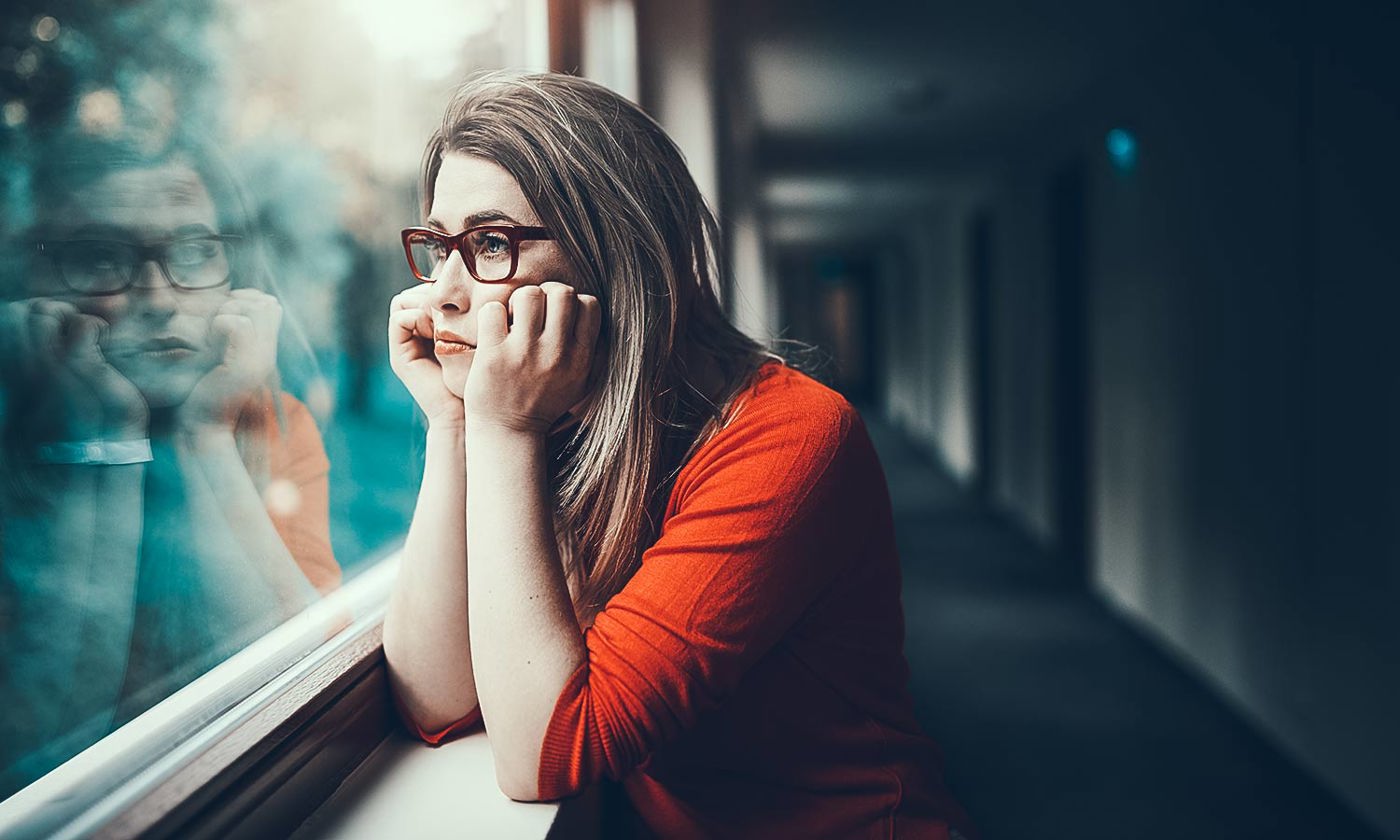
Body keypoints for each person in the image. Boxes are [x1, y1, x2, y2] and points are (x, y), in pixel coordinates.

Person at [382, 72, 975, 839]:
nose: (443, 291)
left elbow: (541, 756)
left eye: (490, 243)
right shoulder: (565, 415)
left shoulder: (792, 437)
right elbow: (436, 701)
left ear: (613, 255)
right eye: (437, 246)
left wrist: (504, 431)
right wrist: (454, 426)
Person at [0, 130, 338, 796]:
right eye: (101, 257)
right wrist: (100, 436)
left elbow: (310, 704)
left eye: (193, 252)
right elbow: (43, 760)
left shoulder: (270, 421)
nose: (158, 297)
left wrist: (204, 436)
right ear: (35, 282)